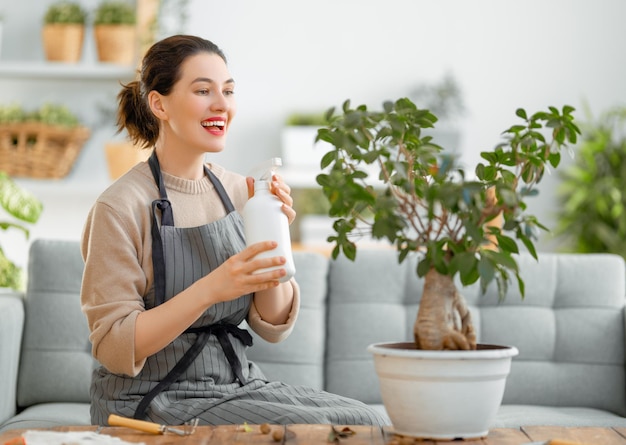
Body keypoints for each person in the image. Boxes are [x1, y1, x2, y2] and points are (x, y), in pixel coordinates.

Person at [80, 34, 387, 427]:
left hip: (234, 384)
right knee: (321, 433)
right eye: (203, 90)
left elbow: (273, 326)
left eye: (228, 91)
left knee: (364, 421)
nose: (222, 105)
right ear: (159, 104)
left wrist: (271, 237)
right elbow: (114, 345)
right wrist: (213, 287)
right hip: (148, 399)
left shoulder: (241, 192)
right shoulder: (119, 207)